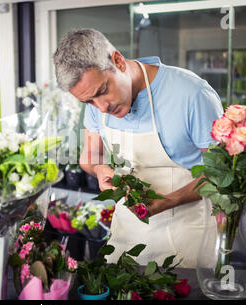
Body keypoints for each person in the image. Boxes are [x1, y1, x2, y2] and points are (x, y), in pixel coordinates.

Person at [53, 28, 223, 267]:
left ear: (118, 61)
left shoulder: (192, 94)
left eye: (103, 92)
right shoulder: (95, 101)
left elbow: (224, 176)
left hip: (188, 240)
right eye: (89, 101)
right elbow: (89, 157)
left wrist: (169, 201)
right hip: (127, 241)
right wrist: (100, 170)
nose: (100, 107)